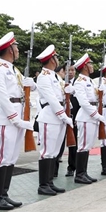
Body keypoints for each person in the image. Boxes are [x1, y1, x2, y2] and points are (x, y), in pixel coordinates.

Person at [0, 32, 37, 210]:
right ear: (9, 49)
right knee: (1, 158)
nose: (18, 50)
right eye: (16, 47)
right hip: (6, 119)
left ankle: (4, 194)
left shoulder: (13, 69)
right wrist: (16, 120)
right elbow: (1, 96)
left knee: (11, 158)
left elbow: (21, 91)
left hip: (18, 117)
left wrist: (32, 85)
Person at [35, 45, 72, 196]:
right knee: (47, 152)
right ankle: (43, 185)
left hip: (59, 117)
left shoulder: (55, 77)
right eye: (56, 57)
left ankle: (49, 182)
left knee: (55, 152)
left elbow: (61, 97)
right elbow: (51, 100)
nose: (57, 60)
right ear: (51, 59)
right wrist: (64, 116)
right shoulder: (43, 77)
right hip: (50, 116)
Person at [72, 53, 103, 185]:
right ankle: (79, 174)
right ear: (85, 66)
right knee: (83, 146)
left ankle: (83, 172)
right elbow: (84, 102)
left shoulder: (90, 81)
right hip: (86, 117)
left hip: (91, 116)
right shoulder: (79, 82)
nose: (92, 66)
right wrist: (96, 115)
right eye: (90, 64)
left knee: (88, 146)